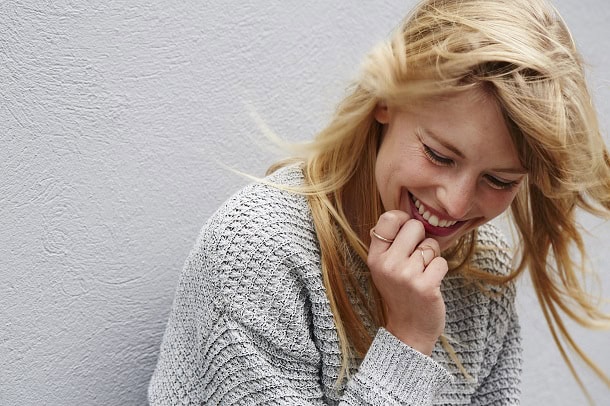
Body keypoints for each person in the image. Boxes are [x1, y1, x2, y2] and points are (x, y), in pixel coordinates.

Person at [148, 0, 610, 404]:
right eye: (439, 155)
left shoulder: (482, 277)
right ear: (385, 102)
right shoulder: (256, 253)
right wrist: (408, 340)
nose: (455, 202)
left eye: (499, 180)